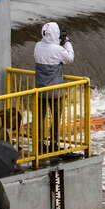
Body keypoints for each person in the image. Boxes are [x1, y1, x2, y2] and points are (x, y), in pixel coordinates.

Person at [34, 22, 74, 152]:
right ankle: (54, 142)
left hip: (40, 90)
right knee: (56, 118)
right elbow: (70, 59)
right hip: (55, 92)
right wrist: (67, 43)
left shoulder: (38, 46)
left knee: (41, 117)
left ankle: (39, 143)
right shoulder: (58, 50)